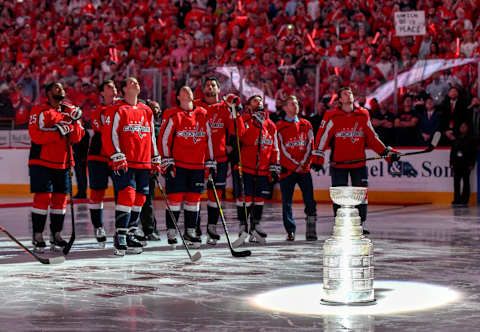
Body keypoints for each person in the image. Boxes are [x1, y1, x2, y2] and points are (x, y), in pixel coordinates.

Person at [312, 87, 399, 234]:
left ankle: (361, 223)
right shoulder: (332, 115)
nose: (349, 95)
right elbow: (322, 136)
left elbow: (372, 137)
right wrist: (318, 157)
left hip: (359, 163)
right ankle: (340, 223)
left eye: (350, 93)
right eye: (345, 94)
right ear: (339, 99)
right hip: (339, 163)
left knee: (361, 195)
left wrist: (386, 152)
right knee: (340, 195)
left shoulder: (363, 114)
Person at [102, 77, 160, 256]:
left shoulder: (146, 110)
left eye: (137, 82)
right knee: (127, 195)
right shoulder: (116, 109)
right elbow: (109, 134)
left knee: (141, 198)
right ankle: (120, 235)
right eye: (131, 83)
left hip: (143, 161)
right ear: (124, 90)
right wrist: (116, 154)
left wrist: (155, 155)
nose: (135, 84)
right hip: (125, 161)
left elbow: (151, 136)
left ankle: (131, 232)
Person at [28, 82, 85, 252]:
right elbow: (35, 135)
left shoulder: (70, 112)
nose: (61, 90)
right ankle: (38, 234)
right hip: (41, 161)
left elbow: (77, 137)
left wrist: (74, 121)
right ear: (48, 93)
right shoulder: (39, 110)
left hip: (64, 162)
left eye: (63, 88)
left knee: (60, 200)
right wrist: (57, 131)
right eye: (57, 88)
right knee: (43, 198)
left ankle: (56, 235)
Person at [158, 86, 215, 248]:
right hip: (178, 165)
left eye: (189, 90)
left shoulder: (203, 114)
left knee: (194, 200)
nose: (186, 91)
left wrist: (210, 162)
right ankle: (171, 230)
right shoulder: (173, 115)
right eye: (182, 90)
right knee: (174, 200)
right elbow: (164, 140)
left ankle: (190, 231)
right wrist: (167, 161)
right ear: (177, 97)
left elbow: (209, 139)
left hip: (197, 165)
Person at [194, 77, 244, 245]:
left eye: (213, 85)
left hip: (219, 159)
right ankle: (195, 228)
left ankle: (212, 228)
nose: (210, 86)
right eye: (207, 84)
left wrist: (236, 111)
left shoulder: (225, 108)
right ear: (203, 89)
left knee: (216, 195)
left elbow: (239, 131)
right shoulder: (195, 106)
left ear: (218, 89)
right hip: (199, 159)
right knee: (196, 195)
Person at [234, 95, 280, 245]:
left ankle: (256, 225)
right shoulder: (245, 120)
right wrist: (239, 115)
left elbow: (275, 148)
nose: (258, 102)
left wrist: (274, 166)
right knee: (245, 198)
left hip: (263, 169)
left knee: (259, 199)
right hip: (246, 167)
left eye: (260, 100)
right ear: (248, 105)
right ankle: (243, 225)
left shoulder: (270, 125)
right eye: (254, 100)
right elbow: (238, 135)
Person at [276, 96, 317, 241]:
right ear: (285, 108)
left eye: (296, 103)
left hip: (304, 170)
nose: (295, 106)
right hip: (287, 171)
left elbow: (310, 145)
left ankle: (311, 229)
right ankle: (290, 230)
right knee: (287, 202)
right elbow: (280, 149)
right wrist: (294, 165)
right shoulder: (279, 127)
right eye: (292, 104)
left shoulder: (306, 124)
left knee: (310, 200)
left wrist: (304, 164)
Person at [87, 80, 118, 246]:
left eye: (114, 86)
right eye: (108, 87)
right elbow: (104, 130)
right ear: (102, 93)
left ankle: (122, 228)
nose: (113, 89)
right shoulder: (97, 111)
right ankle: (98, 227)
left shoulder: (123, 108)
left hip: (117, 156)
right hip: (98, 156)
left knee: (122, 192)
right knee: (97, 193)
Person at [139, 99, 162, 241]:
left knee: (147, 200)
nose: (157, 110)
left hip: (152, 166)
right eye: (153, 107)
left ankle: (150, 228)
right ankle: (143, 228)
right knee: (140, 199)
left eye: (158, 107)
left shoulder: (158, 127)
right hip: (140, 164)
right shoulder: (143, 125)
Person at [450, 122, 476, 206]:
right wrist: (451, 162)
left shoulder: (471, 139)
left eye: (464, 127)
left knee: (466, 182)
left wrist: (472, 164)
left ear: (467, 128)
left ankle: (465, 199)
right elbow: (453, 152)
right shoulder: (456, 138)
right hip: (457, 164)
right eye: (461, 127)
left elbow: (473, 153)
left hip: (466, 164)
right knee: (456, 182)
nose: (462, 128)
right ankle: (456, 199)